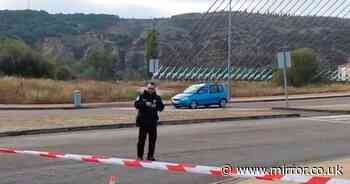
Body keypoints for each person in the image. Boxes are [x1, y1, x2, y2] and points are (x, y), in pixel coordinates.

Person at [134, 82, 165, 161]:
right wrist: (145, 104)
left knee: (152, 140)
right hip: (143, 122)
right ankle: (139, 156)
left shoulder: (157, 97)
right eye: (149, 88)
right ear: (146, 88)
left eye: (152, 88)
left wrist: (156, 106)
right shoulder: (141, 96)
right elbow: (136, 105)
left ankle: (150, 156)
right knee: (141, 140)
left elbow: (161, 108)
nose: (150, 90)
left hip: (153, 122)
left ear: (155, 89)